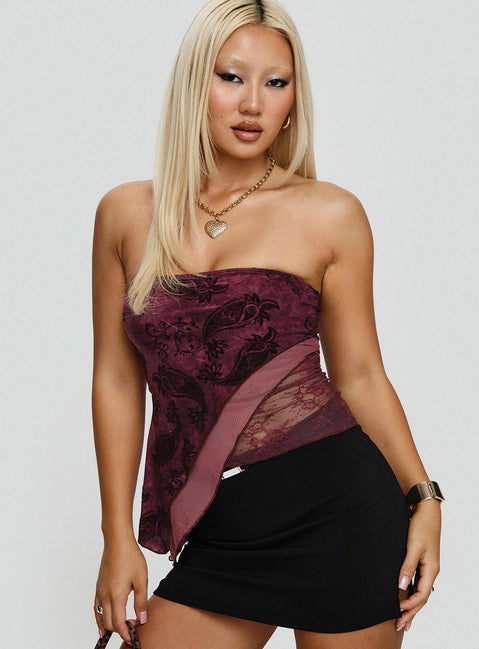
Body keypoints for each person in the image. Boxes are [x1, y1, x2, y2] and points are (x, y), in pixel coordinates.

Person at [91, 1, 443, 647]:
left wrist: (424, 498)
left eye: (275, 83)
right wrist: (117, 539)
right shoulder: (125, 213)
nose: (252, 103)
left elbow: (361, 375)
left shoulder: (329, 214)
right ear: (194, 84)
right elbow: (116, 380)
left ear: (292, 99)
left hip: (341, 510)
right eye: (230, 77)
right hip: (221, 527)